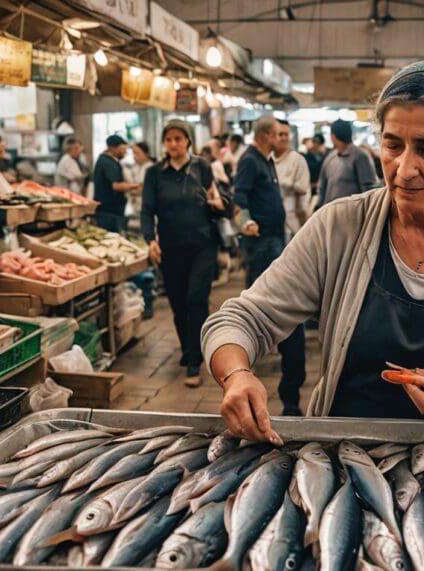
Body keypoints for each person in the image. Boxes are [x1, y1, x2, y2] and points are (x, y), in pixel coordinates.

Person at [203, 62, 424, 443]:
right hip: (345, 456)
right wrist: (237, 375)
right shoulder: (338, 227)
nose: (404, 169)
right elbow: (242, 318)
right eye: (393, 145)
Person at [142, 120, 230, 386]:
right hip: (171, 247)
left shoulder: (201, 167)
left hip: (202, 244)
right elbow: (147, 210)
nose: (173, 144)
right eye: (169, 140)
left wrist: (217, 203)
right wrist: (150, 239)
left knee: (196, 299)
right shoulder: (155, 173)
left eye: (179, 139)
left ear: (188, 142)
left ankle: (194, 361)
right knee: (178, 304)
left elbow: (218, 200)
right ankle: (188, 349)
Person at [232, 116, 307, 416]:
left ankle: (288, 385)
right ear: (266, 135)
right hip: (263, 243)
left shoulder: (268, 160)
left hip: (278, 239)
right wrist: (245, 223)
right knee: (273, 304)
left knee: (280, 307)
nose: (283, 139)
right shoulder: (250, 160)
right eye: (279, 134)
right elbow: (238, 199)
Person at [317, 119, 379, 206]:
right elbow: (322, 187)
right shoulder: (331, 157)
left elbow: (368, 190)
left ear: (333, 136)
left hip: (352, 215)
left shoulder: (359, 156)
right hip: (331, 214)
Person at [93, 135, 140, 232]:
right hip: (110, 212)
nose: (126, 152)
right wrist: (136, 186)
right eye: (124, 149)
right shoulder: (108, 163)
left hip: (106, 210)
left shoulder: (104, 159)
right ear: (113, 148)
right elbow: (116, 186)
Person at [273, 119, 310, 239]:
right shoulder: (267, 159)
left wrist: (286, 185)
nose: (283, 138)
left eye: (286, 134)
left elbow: (303, 189)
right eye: (280, 134)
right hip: (271, 222)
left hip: (292, 220)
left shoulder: (298, 160)